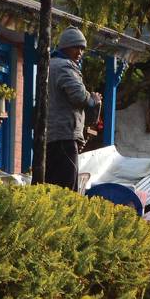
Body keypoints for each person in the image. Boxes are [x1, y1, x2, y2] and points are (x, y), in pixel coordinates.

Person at [43, 26, 100, 190]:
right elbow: (79, 96)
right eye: (76, 47)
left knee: (51, 187)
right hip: (65, 135)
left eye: (82, 48)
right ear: (65, 47)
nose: (80, 52)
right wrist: (93, 99)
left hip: (51, 136)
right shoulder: (65, 66)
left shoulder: (50, 65)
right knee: (67, 190)